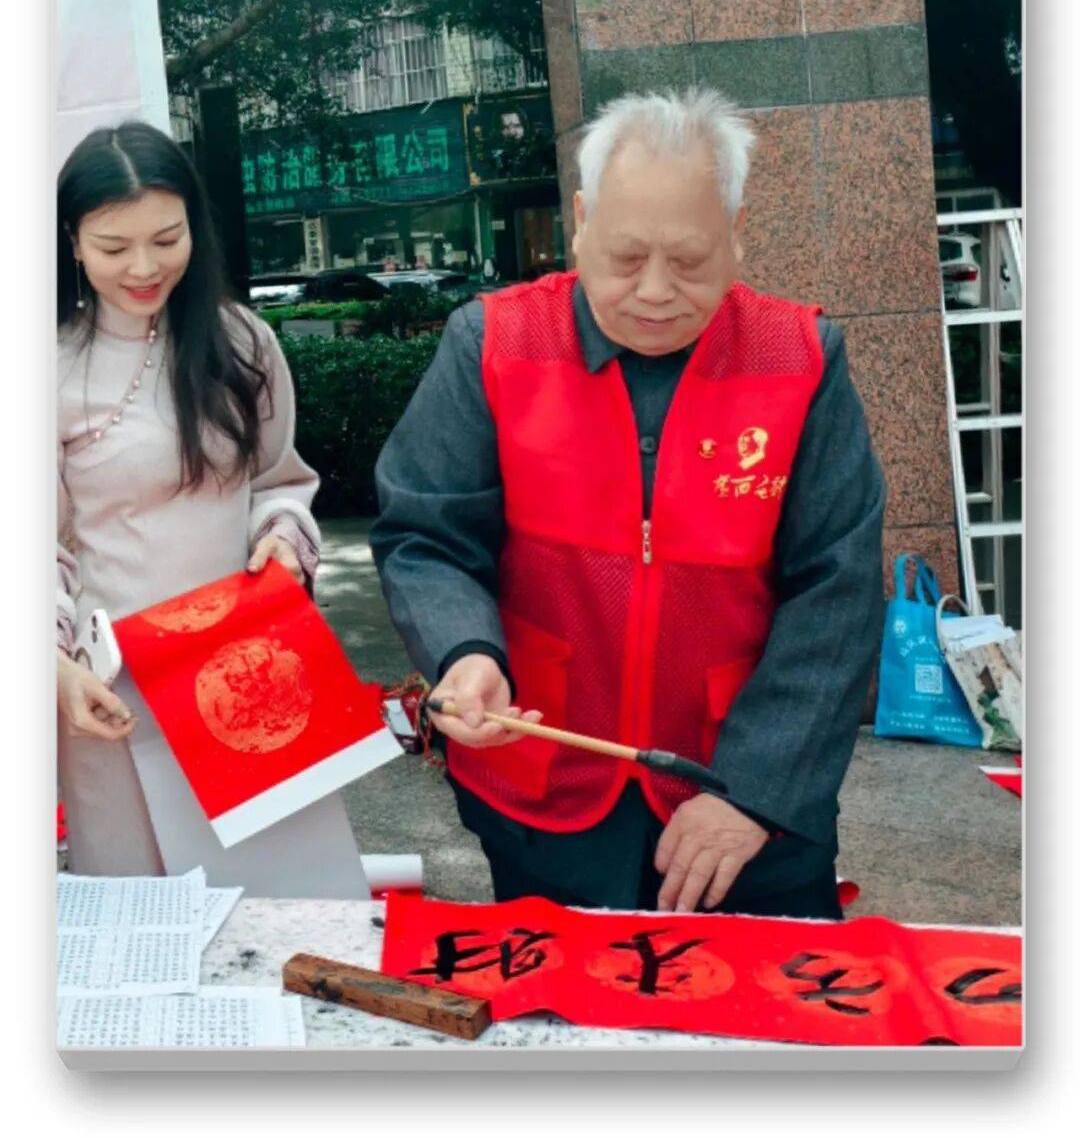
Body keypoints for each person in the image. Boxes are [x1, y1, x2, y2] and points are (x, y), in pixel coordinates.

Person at [373, 88, 886, 919]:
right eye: (624, 256)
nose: (653, 291)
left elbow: (838, 589)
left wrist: (755, 791)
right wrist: (464, 650)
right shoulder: (494, 342)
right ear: (580, 222)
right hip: (546, 783)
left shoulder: (799, 358)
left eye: (688, 260)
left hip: (738, 792)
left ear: (736, 232)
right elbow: (426, 535)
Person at [57, 123, 363, 892]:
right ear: (73, 243)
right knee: (142, 909)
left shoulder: (242, 342)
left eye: (167, 239)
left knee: (285, 900)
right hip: (117, 689)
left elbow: (278, 481)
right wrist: (51, 667)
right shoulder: (47, 366)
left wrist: (283, 540)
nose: (143, 267)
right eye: (114, 246)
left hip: (245, 669)